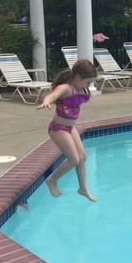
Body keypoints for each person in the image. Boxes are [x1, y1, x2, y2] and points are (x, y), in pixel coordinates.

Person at [37, 59, 98, 202]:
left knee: (83, 157)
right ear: (77, 77)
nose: (89, 86)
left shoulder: (81, 88)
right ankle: (52, 181)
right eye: (88, 82)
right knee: (74, 159)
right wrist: (46, 101)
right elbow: (53, 95)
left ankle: (83, 188)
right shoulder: (66, 87)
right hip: (58, 128)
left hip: (70, 128)